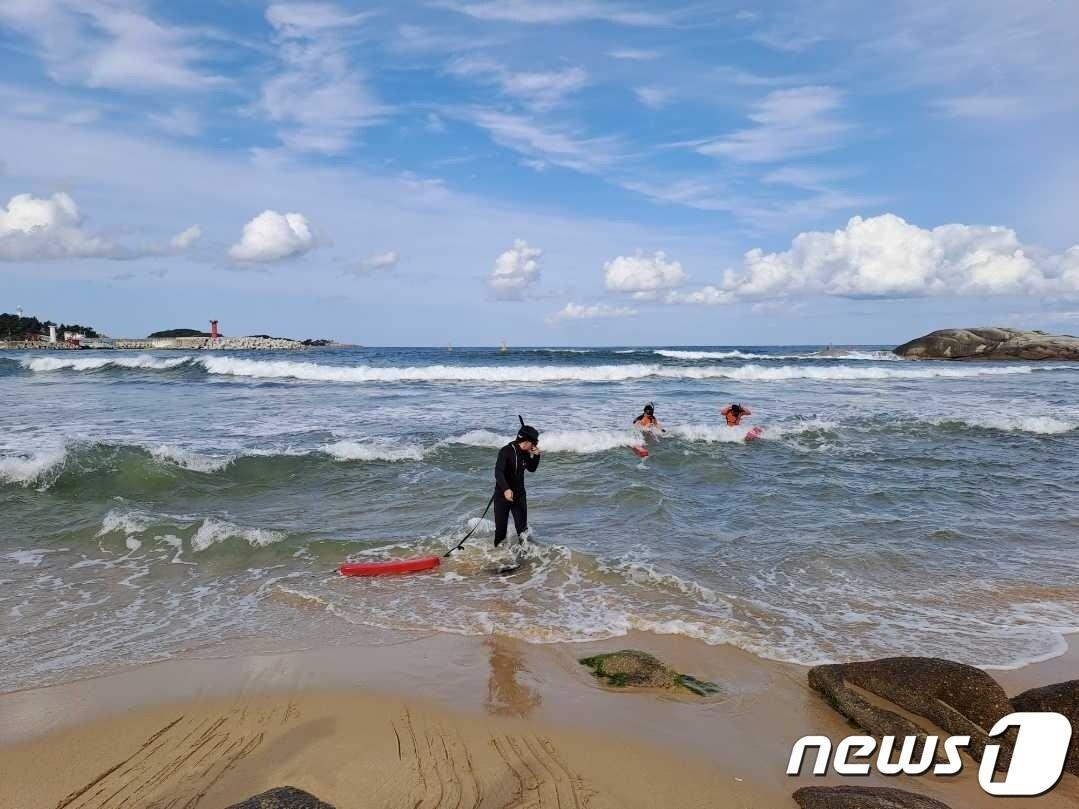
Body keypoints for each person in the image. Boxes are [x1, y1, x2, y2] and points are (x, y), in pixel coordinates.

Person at [494, 417, 541, 547]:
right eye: (534, 443)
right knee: (500, 532)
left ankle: (525, 560)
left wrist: (536, 455)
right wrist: (506, 489)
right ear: (526, 442)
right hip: (502, 495)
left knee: (522, 530)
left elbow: (531, 469)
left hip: (519, 494)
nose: (535, 446)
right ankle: (496, 558)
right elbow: (498, 472)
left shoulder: (525, 452)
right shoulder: (506, 451)